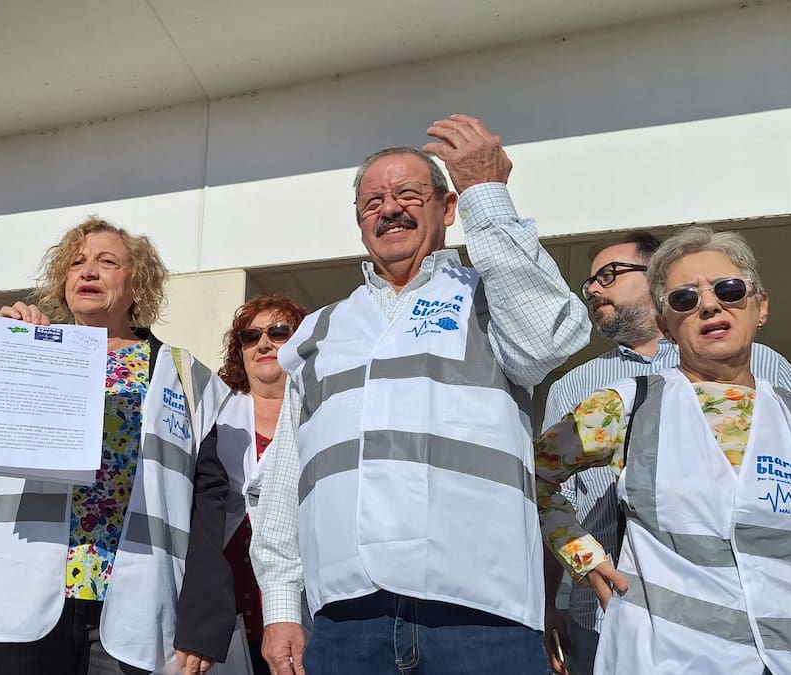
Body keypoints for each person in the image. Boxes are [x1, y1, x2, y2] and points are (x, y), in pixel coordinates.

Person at [250, 114, 591, 675]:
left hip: (481, 612)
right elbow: (288, 475)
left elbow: (546, 341)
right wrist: (282, 604)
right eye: (373, 202)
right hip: (347, 617)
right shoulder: (319, 331)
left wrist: (486, 194)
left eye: (409, 194)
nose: (390, 208)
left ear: (449, 207)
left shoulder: (492, 298)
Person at [0, 216, 235, 675]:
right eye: (76, 262)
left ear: (137, 283)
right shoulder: (30, 352)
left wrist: (202, 622)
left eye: (107, 262)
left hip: (134, 605)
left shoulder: (186, 376)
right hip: (20, 599)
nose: (88, 271)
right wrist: (7, 357)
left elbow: (211, 506)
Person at [537, 226, 791, 674]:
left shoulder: (788, 411)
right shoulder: (626, 404)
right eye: (685, 299)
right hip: (668, 658)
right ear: (665, 325)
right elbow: (531, 475)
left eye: (729, 290)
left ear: (761, 306)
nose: (709, 305)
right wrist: (582, 556)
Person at [215, 294, 308, 675]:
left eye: (279, 332)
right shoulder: (213, 410)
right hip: (228, 594)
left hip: (298, 597)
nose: (264, 343)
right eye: (251, 336)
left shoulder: (321, 409)